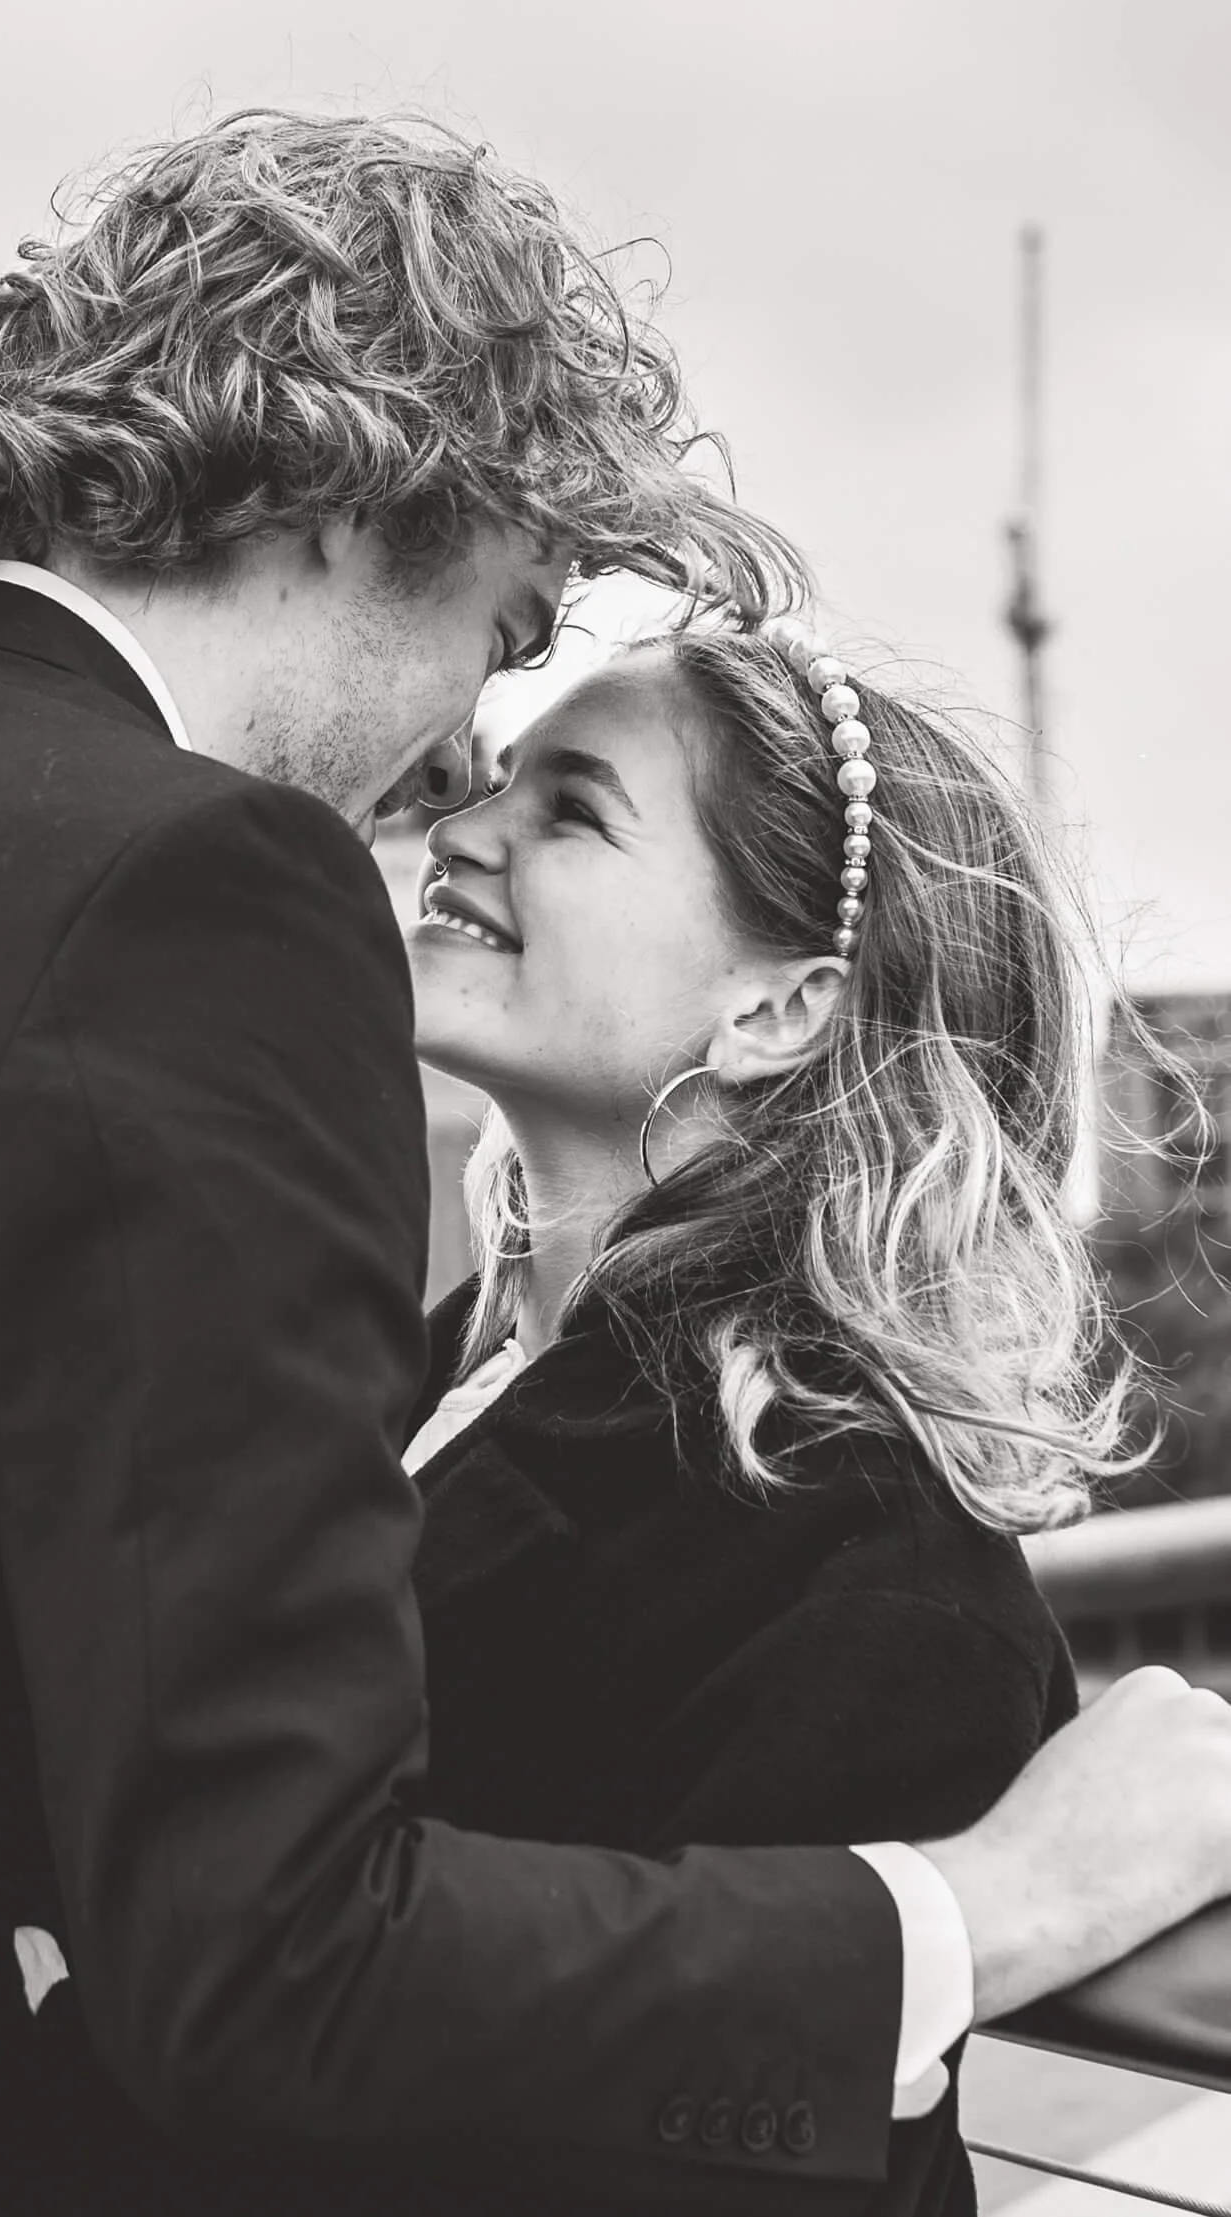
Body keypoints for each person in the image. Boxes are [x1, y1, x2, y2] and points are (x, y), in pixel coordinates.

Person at [0, 113, 1227, 2217]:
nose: (457, 745)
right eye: (507, 624)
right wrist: (975, 1914)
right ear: (382, 502)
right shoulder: (176, 891)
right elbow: (270, 1960)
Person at [396, 624, 1170, 2213]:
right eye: (491, 780)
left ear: (776, 1010)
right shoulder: (392, 1374)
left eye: (570, 808)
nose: (459, 829)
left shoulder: (860, 1562)